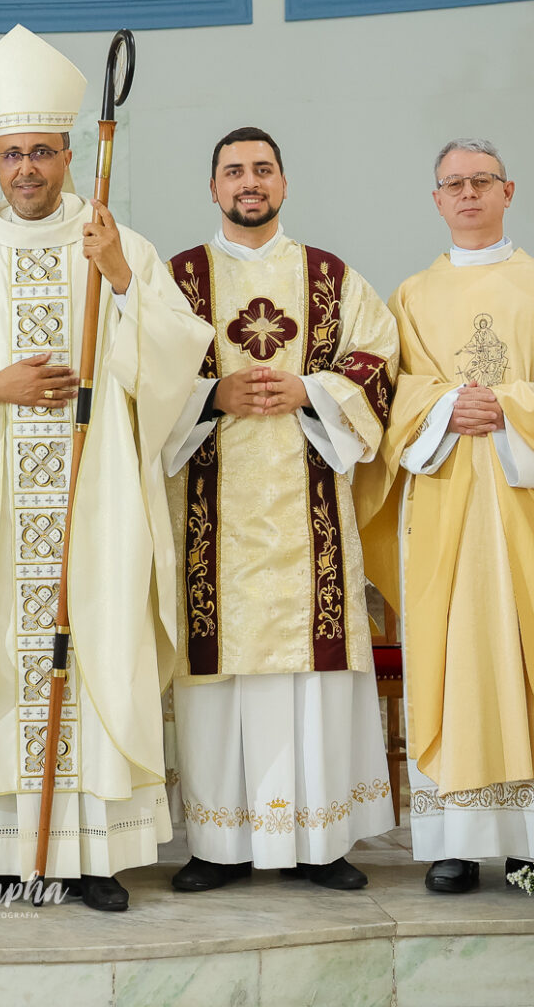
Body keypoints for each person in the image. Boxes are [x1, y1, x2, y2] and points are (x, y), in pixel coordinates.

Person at [0, 25, 212, 914]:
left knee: (99, 651)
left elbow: (174, 363)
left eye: (40, 151)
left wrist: (116, 280)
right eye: (11, 154)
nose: (26, 168)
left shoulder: (120, 244)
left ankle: (90, 855)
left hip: (96, 495)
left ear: (69, 153)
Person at [161, 126, 401, 896]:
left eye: (262, 170)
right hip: (212, 524)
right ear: (213, 188)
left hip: (310, 524)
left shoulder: (331, 277)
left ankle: (321, 840)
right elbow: (138, 375)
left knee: (311, 674)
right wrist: (211, 394)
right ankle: (216, 844)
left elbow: (377, 358)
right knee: (217, 678)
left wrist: (310, 390)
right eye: (233, 171)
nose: (249, 183)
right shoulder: (177, 281)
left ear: (284, 184)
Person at [355, 138, 534, 895]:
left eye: (481, 181)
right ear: (436, 200)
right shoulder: (413, 296)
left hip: (531, 502)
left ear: (508, 190)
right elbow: (393, 399)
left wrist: (514, 407)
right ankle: (454, 839)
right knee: (453, 658)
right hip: (447, 501)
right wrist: (446, 405)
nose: (467, 194)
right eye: (452, 184)